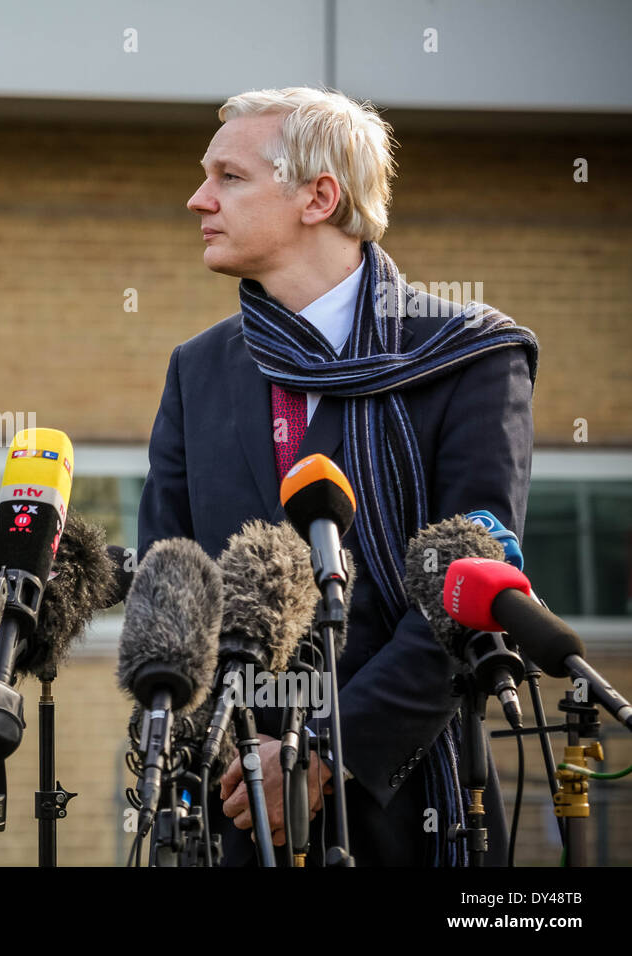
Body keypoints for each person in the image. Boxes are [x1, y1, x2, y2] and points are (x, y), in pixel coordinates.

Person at [136, 87, 539, 865]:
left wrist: (327, 755)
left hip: (412, 801)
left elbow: (473, 584)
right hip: (231, 801)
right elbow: (171, 577)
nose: (198, 199)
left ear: (319, 198)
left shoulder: (472, 357)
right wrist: (232, 752)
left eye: (229, 177)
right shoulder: (199, 370)